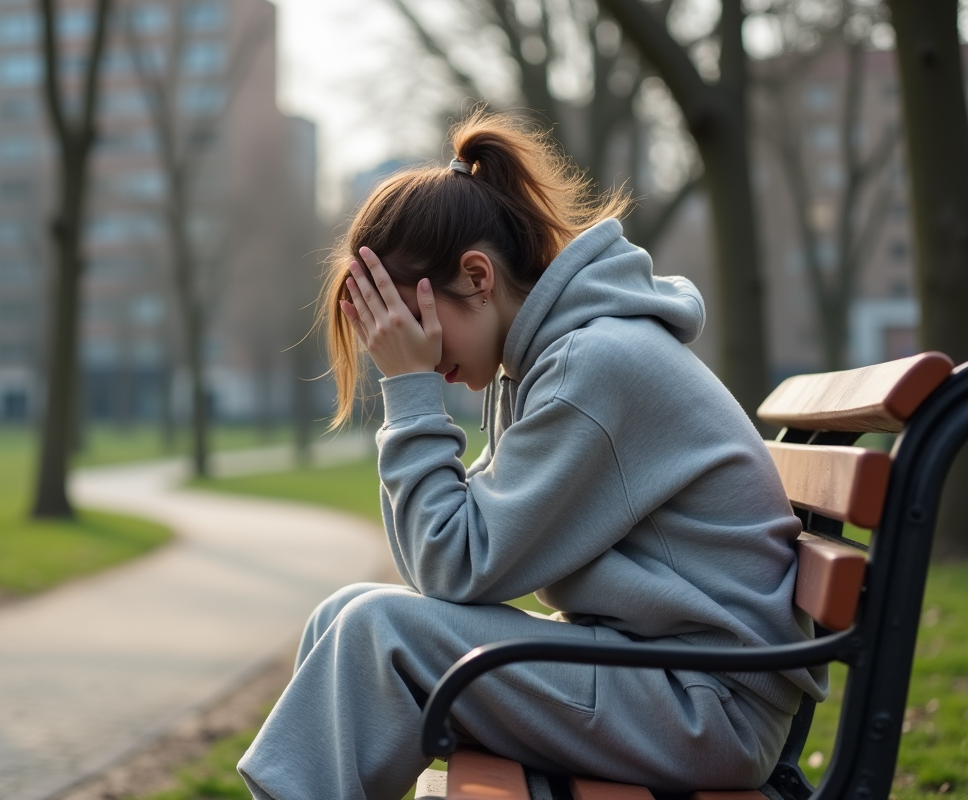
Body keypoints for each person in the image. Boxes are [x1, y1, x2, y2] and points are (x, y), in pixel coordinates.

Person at [237, 112, 826, 800]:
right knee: (344, 613)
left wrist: (409, 390)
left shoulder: (591, 368)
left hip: (708, 711)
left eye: (411, 326)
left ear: (477, 276)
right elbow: (451, 560)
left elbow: (453, 566)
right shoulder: (554, 359)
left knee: (376, 630)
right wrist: (413, 390)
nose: (412, 351)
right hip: (668, 680)